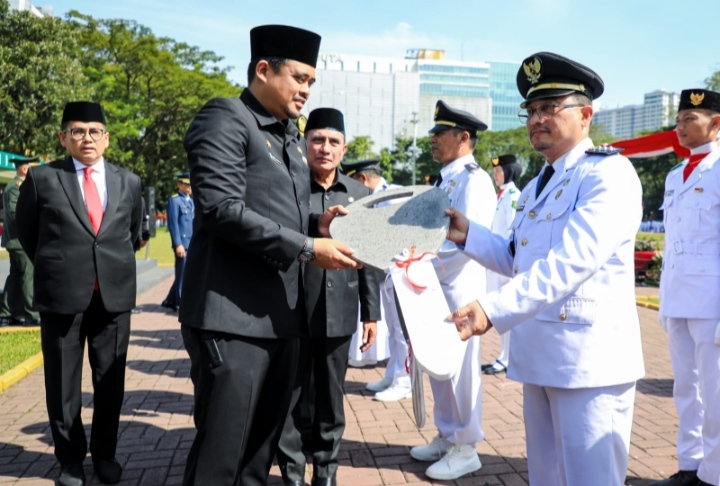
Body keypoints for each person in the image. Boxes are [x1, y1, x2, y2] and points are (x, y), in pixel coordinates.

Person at [445, 52, 644, 486]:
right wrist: (468, 234)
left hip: (589, 364)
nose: (537, 119)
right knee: (546, 477)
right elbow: (518, 258)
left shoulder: (608, 174)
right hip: (541, 355)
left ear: (585, 115)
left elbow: (571, 262)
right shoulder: (539, 184)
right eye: (531, 110)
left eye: (550, 107)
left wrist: (491, 309)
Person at [179, 25, 359, 486]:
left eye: (311, 82)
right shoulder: (225, 117)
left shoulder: (290, 138)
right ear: (263, 69)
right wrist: (307, 247)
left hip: (281, 321)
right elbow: (221, 209)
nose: (306, 90)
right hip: (232, 321)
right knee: (221, 460)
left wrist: (316, 226)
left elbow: (276, 211)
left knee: (258, 460)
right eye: (299, 78)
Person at [16, 101, 144, 486]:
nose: (87, 138)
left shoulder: (128, 181)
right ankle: (70, 459)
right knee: (62, 384)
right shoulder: (42, 178)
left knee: (110, 382)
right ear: (63, 137)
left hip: (113, 298)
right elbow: (27, 232)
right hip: (61, 298)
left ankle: (105, 454)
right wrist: (59, 266)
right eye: (77, 131)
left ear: (106, 138)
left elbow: (132, 233)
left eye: (94, 131)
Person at [277, 108, 381, 486]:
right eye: (317, 139)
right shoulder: (288, 185)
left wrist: (371, 314)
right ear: (305, 144)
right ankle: (292, 471)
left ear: (344, 148)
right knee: (290, 396)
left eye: (333, 141)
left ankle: (325, 472)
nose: (325, 147)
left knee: (331, 398)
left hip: (339, 310)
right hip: (290, 308)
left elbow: (369, 258)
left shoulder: (360, 194)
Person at [405, 100, 495, 481]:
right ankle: (447, 435)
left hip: (458, 287)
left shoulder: (475, 180)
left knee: (460, 371)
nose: (433, 140)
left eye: (440, 133)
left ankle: (467, 446)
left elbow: (467, 240)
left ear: (463, 138)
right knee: (439, 366)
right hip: (435, 286)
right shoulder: (445, 179)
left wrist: (417, 261)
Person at [652, 89, 720, 486]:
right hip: (678, 295)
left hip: (712, 301)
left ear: (716, 122)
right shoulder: (676, 174)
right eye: (678, 120)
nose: (680, 127)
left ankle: (715, 474)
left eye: (690, 118)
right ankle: (690, 465)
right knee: (685, 388)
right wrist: (664, 299)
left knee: (715, 392)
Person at [344, 158, 412, 402]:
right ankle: (393, 375)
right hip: (386, 273)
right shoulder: (374, 197)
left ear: (363, 179)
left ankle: (405, 382)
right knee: (393, 329)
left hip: (402, 272)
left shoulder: (393, 195)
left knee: (402, 331)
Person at [482, 154, 522, 375]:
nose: (495, 175)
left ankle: (507, 358)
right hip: (496, 263)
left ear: (509, 172)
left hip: (505, 264)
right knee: (500, 314)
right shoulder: (502, 196)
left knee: (506, 314)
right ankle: (503, 355)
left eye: (499, 171)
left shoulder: (513, 197)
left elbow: (512, 231)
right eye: (495, 172)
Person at [0, 156, 41, 327]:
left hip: (18, 241)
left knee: (16, 277)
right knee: (28, 275)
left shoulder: (20, 186)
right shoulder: (15, 187)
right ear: (24, 169)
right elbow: (15, 214)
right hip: (19, 241)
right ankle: (32, 314)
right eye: (32, 168)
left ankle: (8, 313)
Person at [160, 172, 193, 312]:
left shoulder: (191, 201)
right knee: (182, 275)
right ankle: (180, 303)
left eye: (191, 184)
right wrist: (178, 244)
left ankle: (170, 300)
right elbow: (173, 225)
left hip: (191, 243)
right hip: (182, 244)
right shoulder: (175, 201)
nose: (189, 187)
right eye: (186, 184)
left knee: (185, 273)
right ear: (179, 184)